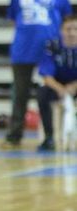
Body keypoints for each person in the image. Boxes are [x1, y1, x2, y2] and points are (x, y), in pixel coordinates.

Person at [4, 0, 71, 147]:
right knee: (20, 94)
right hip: (23, 50)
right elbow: (13, 18)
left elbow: (66, 18)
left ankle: (50, 136)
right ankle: (14, 135)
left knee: (47, 94)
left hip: (50, 52)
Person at [35, 13, 77, 151]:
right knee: (42, 94)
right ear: (61, 30)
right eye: (68, 29)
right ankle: (49, 137)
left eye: (75, 29)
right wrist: (61, 89)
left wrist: (73, 86)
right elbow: (46, 76)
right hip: (57, 85)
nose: (72, 33)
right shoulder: (52, 46)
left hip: (75, 85)